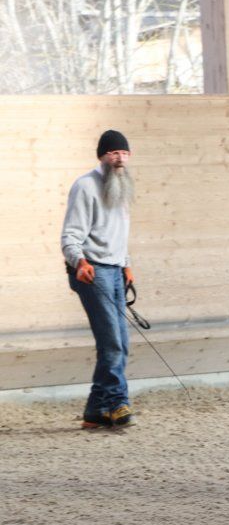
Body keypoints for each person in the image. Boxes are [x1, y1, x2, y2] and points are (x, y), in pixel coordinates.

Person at [61, 130, 137, 429]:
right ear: (102, 156)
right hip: (92, 271)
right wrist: (78, 261)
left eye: (124, 153)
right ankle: (119, 404)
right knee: (112, 343)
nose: (120, 158)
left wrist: (127, 264)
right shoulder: (85, 186)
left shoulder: (121, 187)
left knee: (121, 343)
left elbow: (118, 235)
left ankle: (95, 411)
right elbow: (70, 234)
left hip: (115, 270)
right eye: (114, 153)